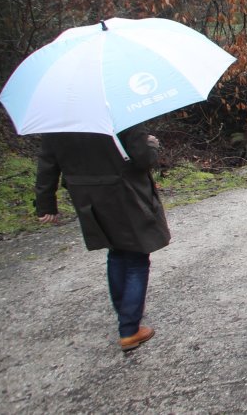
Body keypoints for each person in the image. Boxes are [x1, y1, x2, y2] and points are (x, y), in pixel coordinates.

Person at [34, 125, 170, 352]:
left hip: (88, 199)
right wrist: (151, 145)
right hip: (126, 195)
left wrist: (45, 204)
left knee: (116, 252)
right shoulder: (117, 114)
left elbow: (47, 163)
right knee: (137, 257)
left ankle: (125, 313)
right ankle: (129, 329)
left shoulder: (58, 120)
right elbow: (143, 158)